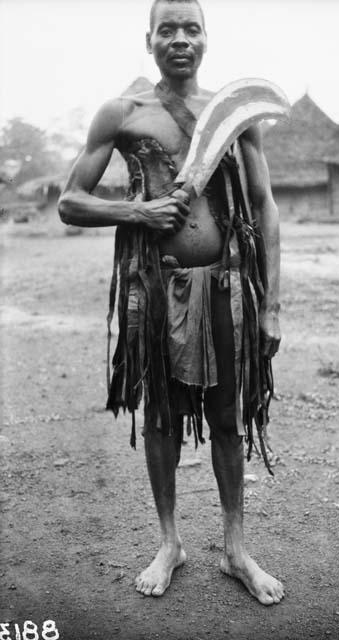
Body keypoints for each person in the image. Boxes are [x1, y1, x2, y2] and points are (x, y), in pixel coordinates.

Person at [58, 0, 284, 605]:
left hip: (230, 288)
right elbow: (71, 202)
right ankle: (170, 542)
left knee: (228, 420)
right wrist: (139, 210)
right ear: (149, 39)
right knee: (159, 417)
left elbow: (264, 204)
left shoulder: (235, 115)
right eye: (168, 29)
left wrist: (273, 302)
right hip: (153, 290)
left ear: (206, 38)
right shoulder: (122, 112)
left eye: (192, 28)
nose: (180, 38)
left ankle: (236, 549)